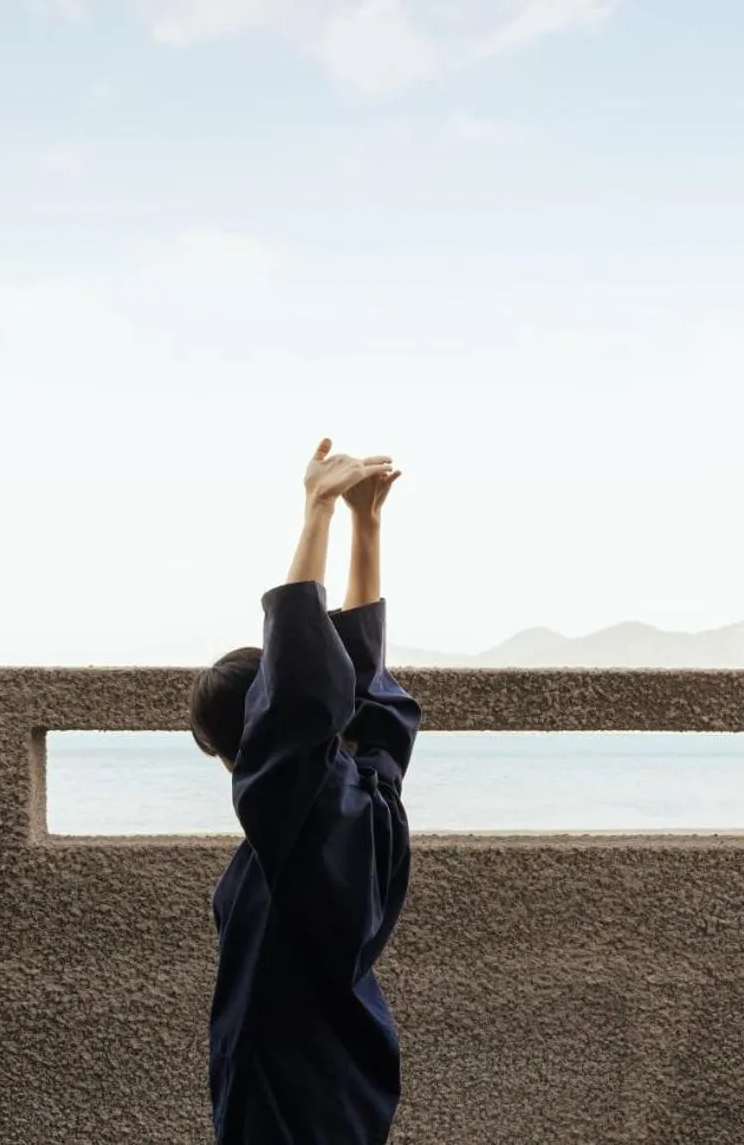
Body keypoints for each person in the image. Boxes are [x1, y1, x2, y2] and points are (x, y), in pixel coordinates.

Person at [188, 437, 422, 1145]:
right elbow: (366, 696)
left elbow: (297, 693)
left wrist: (318, 509)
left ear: (237, 749)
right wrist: (368, 526)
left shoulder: (289, 818)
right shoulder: (369, 795)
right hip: (346, 1067)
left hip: (283, 1093)